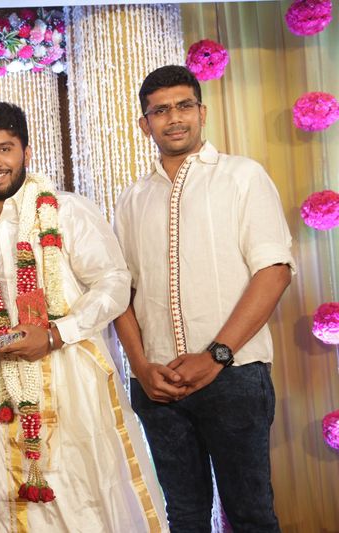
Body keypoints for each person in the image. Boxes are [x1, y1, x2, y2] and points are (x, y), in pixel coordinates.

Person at [0, 102, 168, 532]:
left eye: (5, 148)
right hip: (9, 386)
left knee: (89, 495)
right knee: (25, 500)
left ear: (26, 151)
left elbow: (115, 283)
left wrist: (56, 334)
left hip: (75, 379)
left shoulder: (65, 210)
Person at [114, 65, 294, 532]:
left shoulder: (242, 177)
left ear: (202, 112)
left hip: (234, 377)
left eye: (184, 106)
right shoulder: (133, 199)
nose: (174, 118)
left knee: (251, 515)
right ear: (144, 124)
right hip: (158, 385)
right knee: (185, 517)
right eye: (160, 110)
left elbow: (274, 271)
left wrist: (215, 356)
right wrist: (141, 368)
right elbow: (120, 294)